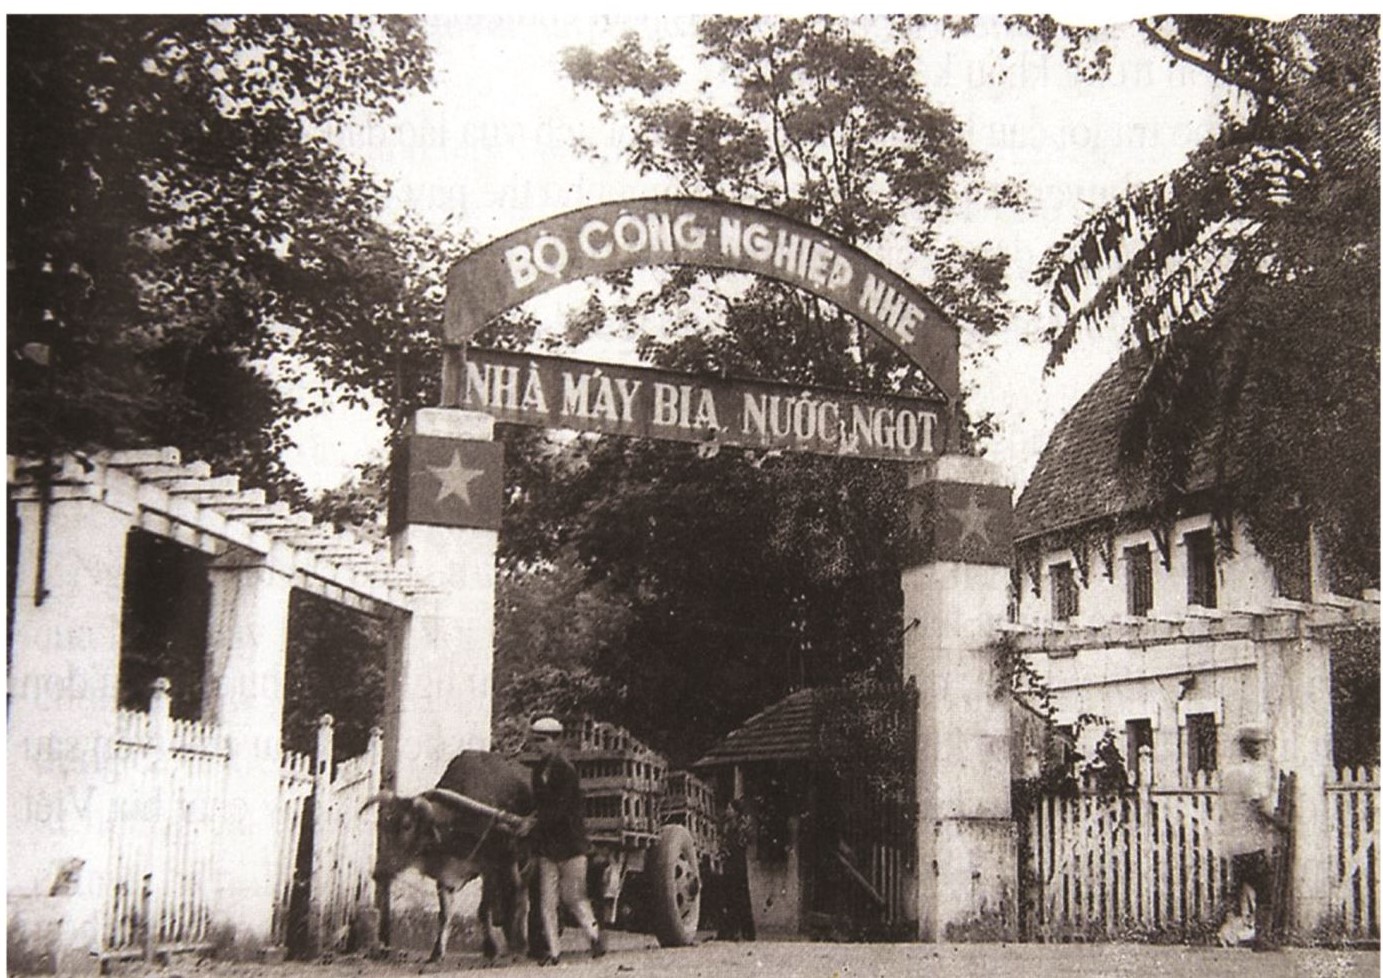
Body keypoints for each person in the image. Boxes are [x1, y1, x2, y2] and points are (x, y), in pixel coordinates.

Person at [521, 715, 605, 965]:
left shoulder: (566, 771)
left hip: (571, 846)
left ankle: (594, 936)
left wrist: (532, 823)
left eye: (543, 741)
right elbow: (540, 806)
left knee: (573, 898)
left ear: (556, 741)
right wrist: (530, 821)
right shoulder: (538, 771)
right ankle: (554, 952)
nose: (539, 746)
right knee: (547, 902)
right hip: (548, 848)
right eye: (536, 741)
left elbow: (560, 810)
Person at [1217, 724, 1288, 951]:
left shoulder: (1229, 772)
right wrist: (1281, 824)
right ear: (1247, 747)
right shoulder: (1251, 774)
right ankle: (1262, 938)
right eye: (1256, 744)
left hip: (1233, 842)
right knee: (1265, 890)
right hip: (1251, 842)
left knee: (1237, 891)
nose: (1260, 749)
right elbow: (1260, 807)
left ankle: (1226, 932)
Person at [717, 795, 757, 941]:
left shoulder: (741, 826)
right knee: (728, 899)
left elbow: (747, 841)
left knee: (741, 898)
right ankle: (730, 932)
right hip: (729, 866)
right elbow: (723, 845)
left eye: (730, 808)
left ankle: (747, 933)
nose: (727, 811)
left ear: (736, 812)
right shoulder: (727, 827)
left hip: (739, 866)